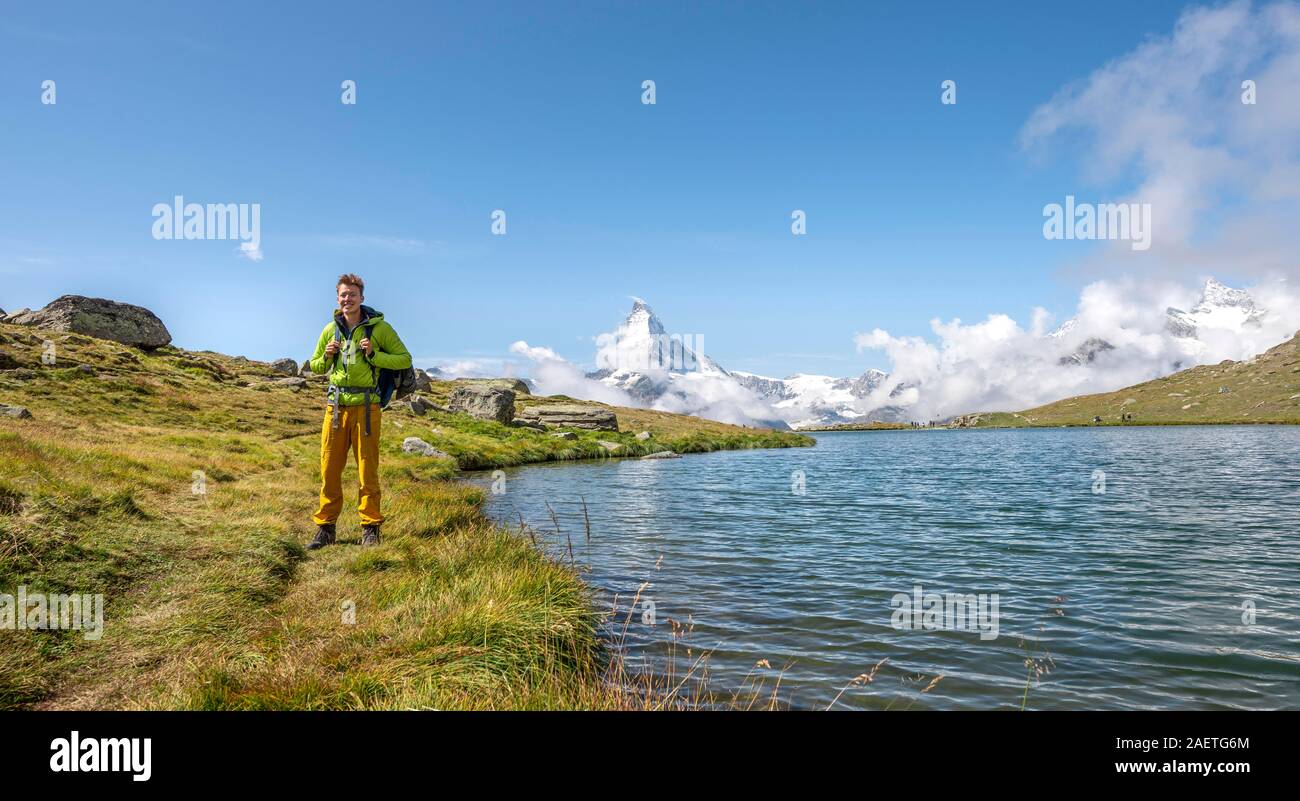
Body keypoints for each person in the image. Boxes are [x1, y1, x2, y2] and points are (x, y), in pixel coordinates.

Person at [305, 273, 412, 549]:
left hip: (367, 408)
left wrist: (375, 354)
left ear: (362, 298)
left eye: (352, 295)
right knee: (329, 470)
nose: (347, 299)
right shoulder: (330, 329)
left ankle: (370, 529)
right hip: (336, 407)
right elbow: (315, 365)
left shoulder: (380, 329)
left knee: (368, 471)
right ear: (337, 298)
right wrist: (326, 356)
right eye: (343, 295)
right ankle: (326, 529)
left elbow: (404, 358)